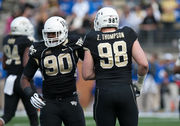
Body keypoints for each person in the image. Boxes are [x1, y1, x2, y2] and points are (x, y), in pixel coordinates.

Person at [82, 7, 149, 126]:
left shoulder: (91, 37)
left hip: (104, 91)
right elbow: (144, 64)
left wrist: (105, 74)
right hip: (126, 90)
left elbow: (86, 74)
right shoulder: (128, 33)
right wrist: (138, 85)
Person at [20, 16, 85, 126]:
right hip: (49, 103)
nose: (50, 37)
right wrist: (30, 94)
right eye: (48, 33)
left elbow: (91, 61)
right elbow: (24, 78)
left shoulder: (74, 44)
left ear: (64, 32)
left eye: (54, 33)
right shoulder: (39, 49)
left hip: (70, 99)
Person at [0, 16, 38, 126]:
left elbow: (4, 64)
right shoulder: (26, 40)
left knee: (7, 115)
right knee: (33, 115)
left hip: (10, 80)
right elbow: (26, 63)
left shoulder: (6, 39)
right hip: (23, 80)